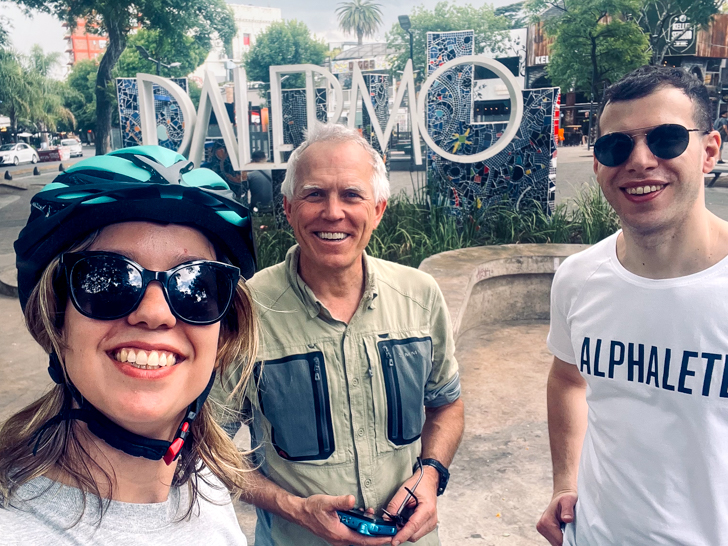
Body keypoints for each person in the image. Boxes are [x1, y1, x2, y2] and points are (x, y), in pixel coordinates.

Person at [216, 123, 464, 546]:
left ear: (378, 209)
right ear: (289, 208)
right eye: (315, 194)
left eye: (351, 194)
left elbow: (446, 406)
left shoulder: (420, 297)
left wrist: (430, 474)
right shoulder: (246, 311)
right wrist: (294, 509)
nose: (333, 212)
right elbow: (210, 444)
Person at [0, 145, 258, 544]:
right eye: (110, 278)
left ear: (223, 331)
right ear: (56, 319)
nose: (155, 313)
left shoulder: (207, 491)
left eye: (196, 286)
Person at [537, 65, 728, 545]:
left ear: (709, 152)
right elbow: (566, 378)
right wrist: (567, 480)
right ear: (599, 164)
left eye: (665, 139)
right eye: (616, 146)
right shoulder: (579, 278)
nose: (640, 161)